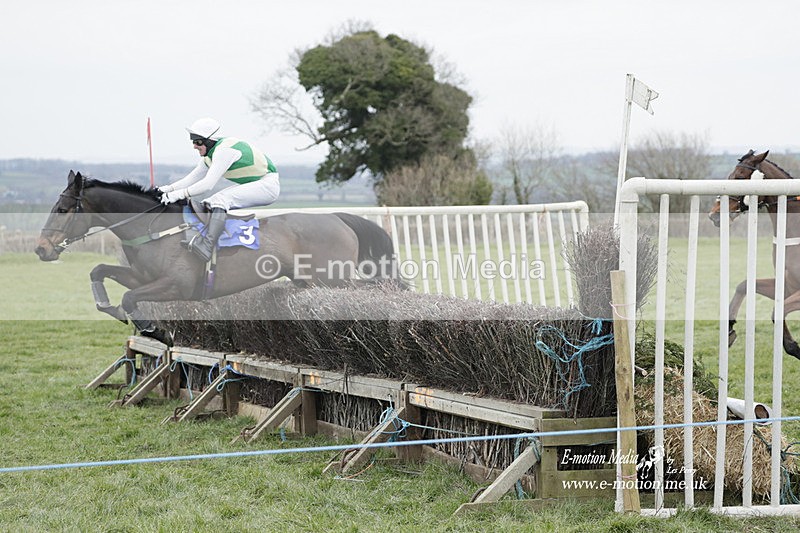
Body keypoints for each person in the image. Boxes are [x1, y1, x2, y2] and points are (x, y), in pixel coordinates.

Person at [159, 117, 280, 262]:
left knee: (220, 200)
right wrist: (165, 190)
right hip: (256, 182)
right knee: (208, 202)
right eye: (193, 141)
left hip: (267, 185)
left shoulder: (224, 151)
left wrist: (177, 195)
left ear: (210, 141)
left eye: (198, 142)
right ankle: (204, 239)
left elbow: (207, 184)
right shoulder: (210, 155)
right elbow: (190, 179)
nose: (194, 146)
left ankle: (208, 246)